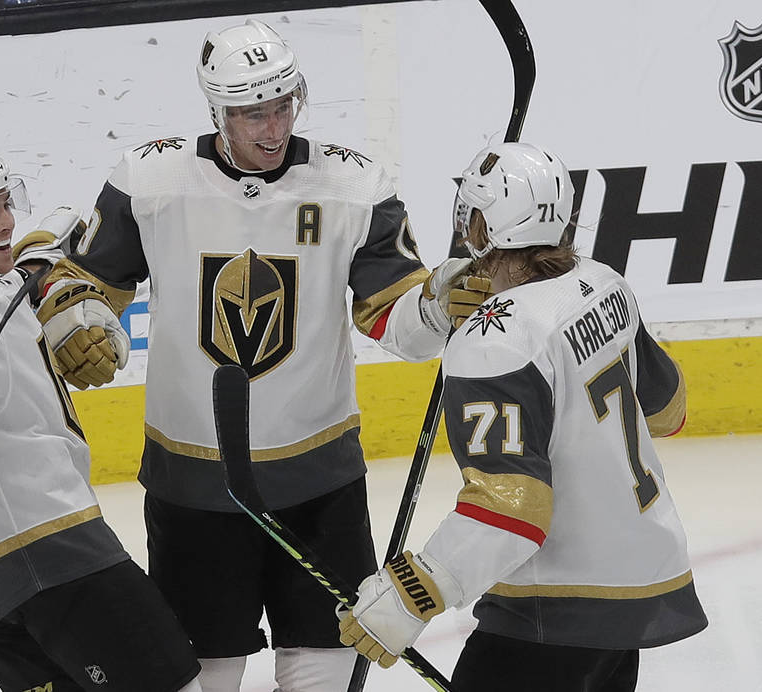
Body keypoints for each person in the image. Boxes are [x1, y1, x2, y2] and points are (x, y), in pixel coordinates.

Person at [35, 18, 490, 692]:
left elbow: (393, 316)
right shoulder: (149, 180)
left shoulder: (353, 187)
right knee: (204, 674)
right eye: (252, 113)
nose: (272, 128)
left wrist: (435, 308)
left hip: (320, 484)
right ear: (217, 109)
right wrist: (73, 319)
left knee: (325, 671)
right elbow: (83, 284)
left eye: (283, 106)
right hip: (192, 484)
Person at [338, 142, 709, 691]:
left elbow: (513, 510)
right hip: (634, 587)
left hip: (559, 604)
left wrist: (412, 593)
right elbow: (667, 408)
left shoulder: (494, 341)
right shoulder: (603, 283)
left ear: (484, 229)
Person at [0, 142, 202, 692]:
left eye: (6, 203)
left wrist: (62, 297)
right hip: (42, 545)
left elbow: (32, 259)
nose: (7, 222)